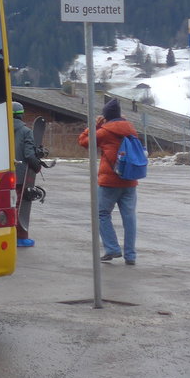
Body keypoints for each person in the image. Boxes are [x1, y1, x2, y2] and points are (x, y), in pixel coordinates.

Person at [77, 98, 140, 265]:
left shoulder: (104, 132)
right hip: (130, 179)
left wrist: (95, 125)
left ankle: (112, 248)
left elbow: (84, 142)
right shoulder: (131, 129)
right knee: (129, 217)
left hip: (110, 181)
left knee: (101, 213)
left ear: (106, 116)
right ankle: (131, 255)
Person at [12, 101, 42, 247]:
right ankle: (20, 237)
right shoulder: (26, 131)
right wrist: (37, 166)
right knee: (19, 205)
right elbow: (29, 155)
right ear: (21, 115)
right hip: (20, 174)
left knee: (6, 205)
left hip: (3, 174)